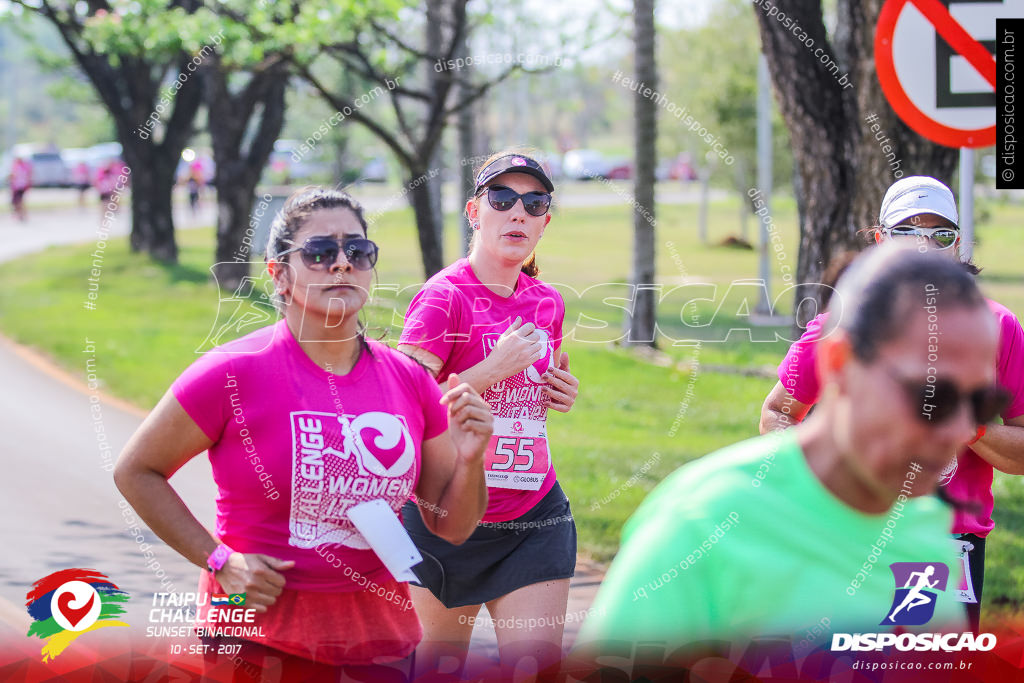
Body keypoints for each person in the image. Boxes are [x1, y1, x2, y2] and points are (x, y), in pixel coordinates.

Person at [114, 187, 492, 677]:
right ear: (280, 274)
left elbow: (452, 526)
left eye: (357, 251)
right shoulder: (233, 371)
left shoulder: (408, 378)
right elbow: (136, 470)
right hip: (255, 641)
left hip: (379, 641)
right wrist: (219, 560)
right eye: (319, 252)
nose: (341, 264)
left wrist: (470, 460)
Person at [577, 246, 1008, 656]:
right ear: (840, 363)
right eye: (934, 397)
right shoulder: (704, 521)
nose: (959, 430)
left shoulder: (929, 538)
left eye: (981, 403)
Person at [759, 176, 1024, 632]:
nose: (924, 247)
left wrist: (969, 426)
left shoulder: (996, 327)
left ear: (956, 243)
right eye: (908, 233)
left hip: (945, 544)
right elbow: (777, 413)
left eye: (939, 235)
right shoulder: (839, 325)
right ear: (880, 239)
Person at [397, 151, 580, 677]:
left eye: (534, 202)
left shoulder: (547, 302)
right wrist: (491, 369)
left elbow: (529, 390)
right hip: (443, 520)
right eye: (502, 200)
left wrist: (557, 392)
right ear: (475, 213)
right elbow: (398, 409)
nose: (518, 212)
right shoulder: (442, 298)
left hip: (533, 517)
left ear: (546, 220)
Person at [9, 156, 31, 222]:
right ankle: (21, 215)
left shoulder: (19, 166)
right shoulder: (23, 166)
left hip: (20, 186)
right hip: (18, 186)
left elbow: (14, 176)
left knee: (19, 201)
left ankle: (22, 215)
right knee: (18, 202)